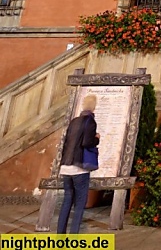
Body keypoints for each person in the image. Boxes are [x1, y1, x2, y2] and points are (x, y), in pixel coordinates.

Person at [57, 95, 99, 234]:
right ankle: (74, 237)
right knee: (80, 204)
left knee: (67, 201)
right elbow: (87, 143)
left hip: (66, 166)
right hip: (79, 168)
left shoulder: (73, 121)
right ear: (94, 106)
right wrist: (96, 139)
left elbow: (66, 143)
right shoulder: (90, 121)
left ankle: (60, 236)